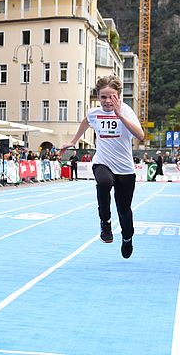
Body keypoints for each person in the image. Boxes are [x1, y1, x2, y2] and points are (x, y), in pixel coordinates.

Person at [60, 75, 144, 259]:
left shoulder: (127, 112)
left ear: (119, 96)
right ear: (98, 97)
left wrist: (120, 115)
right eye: (103, 97)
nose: (107, 101)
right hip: (103, 162)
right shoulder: (94, 113)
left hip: (125, 169)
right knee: (104, 183)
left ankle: (127, 238)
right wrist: (73, 141)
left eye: (111, 96)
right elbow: (86, 122)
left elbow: (141, 135)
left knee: (124, 210)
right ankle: (105, 222)